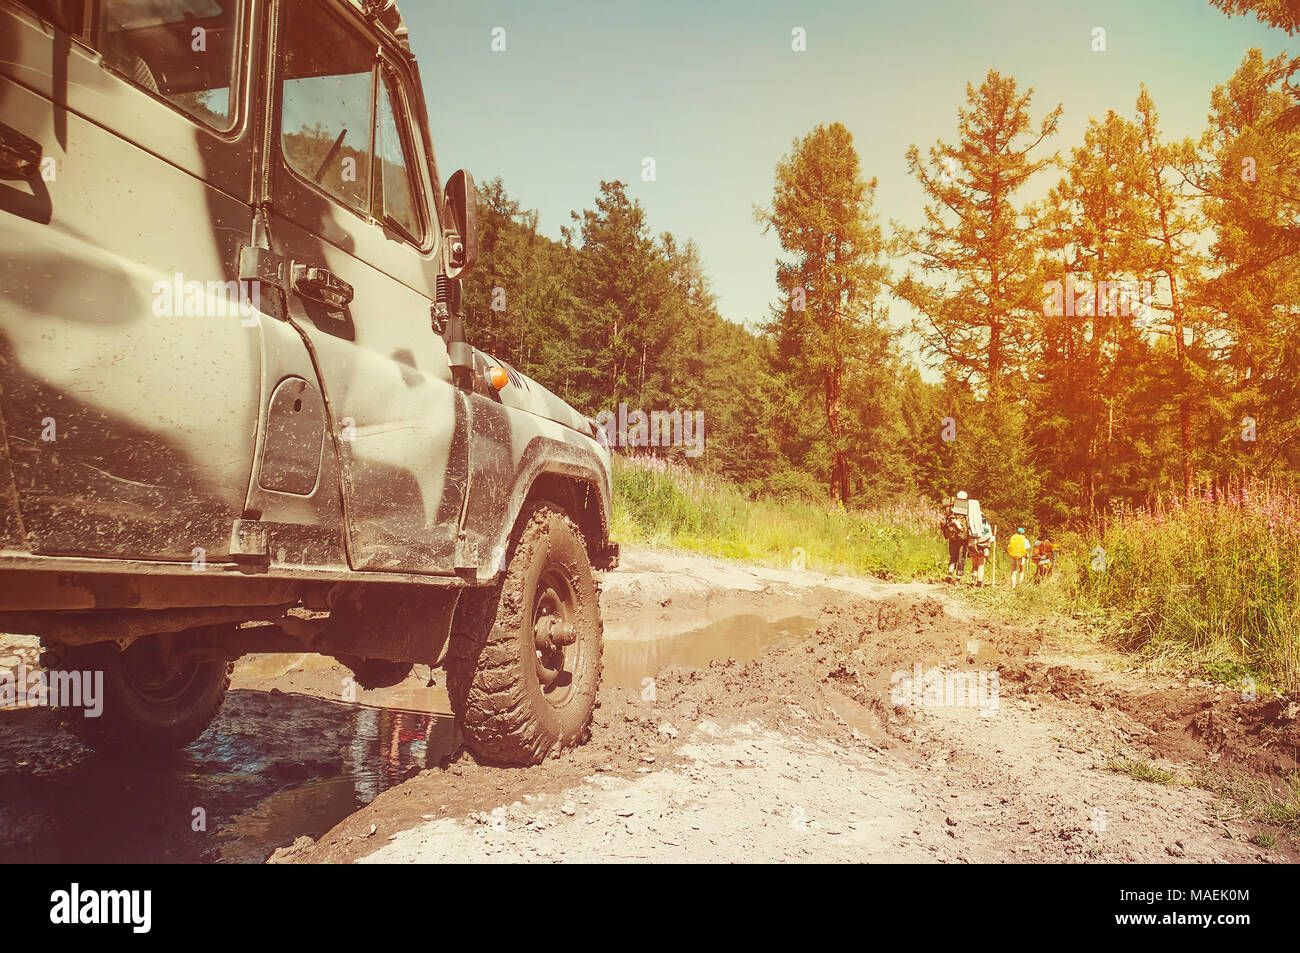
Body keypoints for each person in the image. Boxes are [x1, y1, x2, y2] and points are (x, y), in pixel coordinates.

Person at [942, 490, 972, 583]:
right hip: (963, 536)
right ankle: (958, 578)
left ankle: (949, 574)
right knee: (961, 556)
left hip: (952, 536)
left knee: (953, 556)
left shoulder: (951, 507)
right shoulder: (968, 508)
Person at [970, 516, 994, 587]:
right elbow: (990, 538)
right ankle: (979, 582)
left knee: (974, 566)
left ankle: (973, 579)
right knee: (981, 566)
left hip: (973, 547)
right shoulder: (987, 527)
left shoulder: (974, 526)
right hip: (983, 547)